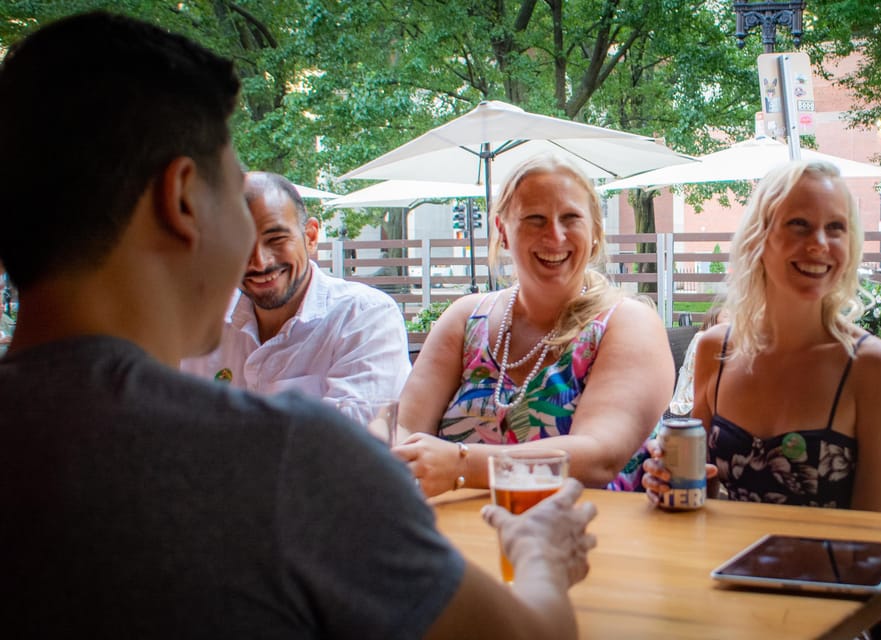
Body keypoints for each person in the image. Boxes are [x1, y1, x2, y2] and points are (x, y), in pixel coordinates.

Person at [0, 12, 599, 638]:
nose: (252, 257)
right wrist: (540, 556)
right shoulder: (287, 458)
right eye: (234, 194)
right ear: (180, 201)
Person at [642, 160, 881, 639]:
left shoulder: (871, 366)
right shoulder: (717, 351)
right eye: (799, 224)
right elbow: (702, 496)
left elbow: (871, 543)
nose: (819, 243)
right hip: (733, 588)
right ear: (759, 240)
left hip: (845, 608)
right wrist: (671, 484)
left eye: (835, 228)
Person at [395, 154, 674, 496]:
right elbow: (405, 428)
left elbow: (598, 456)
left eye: (571, 218)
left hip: (586, 538)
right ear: (503, 231)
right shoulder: (465, 319)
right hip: (451, 539)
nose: (554, 236)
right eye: (535, 219)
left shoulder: (627, 322)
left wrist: (461, 465)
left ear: (595, 231)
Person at [181, 171, 410, 400]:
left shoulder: (363, 316)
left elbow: (354, 432)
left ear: (310, 237)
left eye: (276, 239)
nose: (260, 262)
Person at [668, 300, 728, 416]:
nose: (731, 320)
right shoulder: (702, 338)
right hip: (694, 396)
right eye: (726, 316)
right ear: (714, 319)